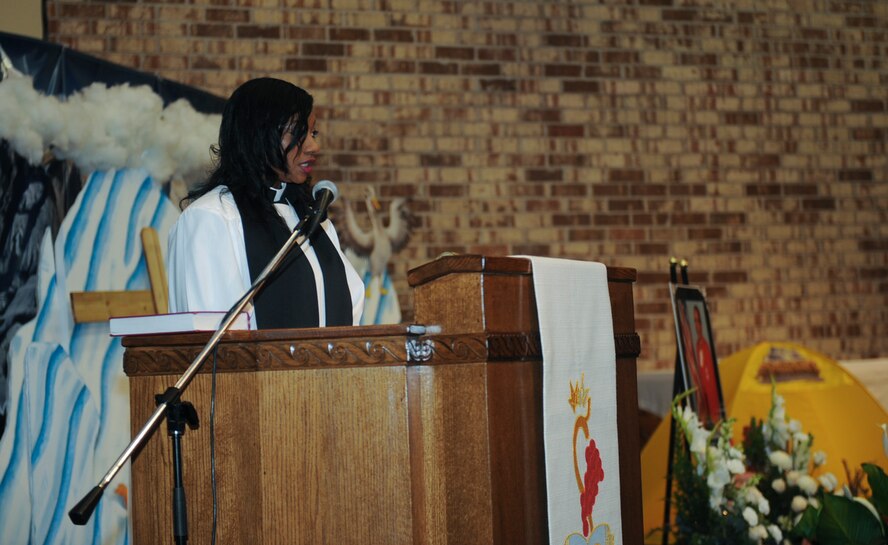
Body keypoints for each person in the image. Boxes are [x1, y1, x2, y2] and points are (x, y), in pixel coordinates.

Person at [166, 77, 364, 329]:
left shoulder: (312, 219)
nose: (314, 146)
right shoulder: (211, 218)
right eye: (297, 133)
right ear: (257, 133)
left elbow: (350, 306)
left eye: (313, 132)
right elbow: (208, 335)